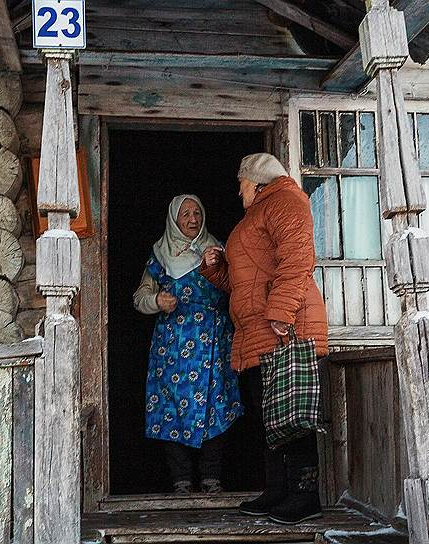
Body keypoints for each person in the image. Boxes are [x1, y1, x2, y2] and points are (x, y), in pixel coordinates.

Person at [200, 153, 328, 524]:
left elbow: (298, 259)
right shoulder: (255, 215)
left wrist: (280, 312)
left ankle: (305, 496)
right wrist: (216, 268)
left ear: (255, 182)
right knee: (269, 415)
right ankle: (278, 490)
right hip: (258, 330)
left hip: (287, 327)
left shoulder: (286, 201)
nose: (238, 190)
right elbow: (244, 283)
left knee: (293, 416)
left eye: (240, 183)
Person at [133, 194, 243, 495]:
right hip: (173, 349)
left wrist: (216, 266)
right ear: (174, 220)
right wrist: (156, 300)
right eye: (186, 215)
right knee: (172, 408)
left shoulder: (217, 249)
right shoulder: (160, 255)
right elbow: (139, 298)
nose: (193, 219)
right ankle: (180, 481)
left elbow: (236, 289)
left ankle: (211, 478)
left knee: (214, 405)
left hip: (213, 344)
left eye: (197, 212)